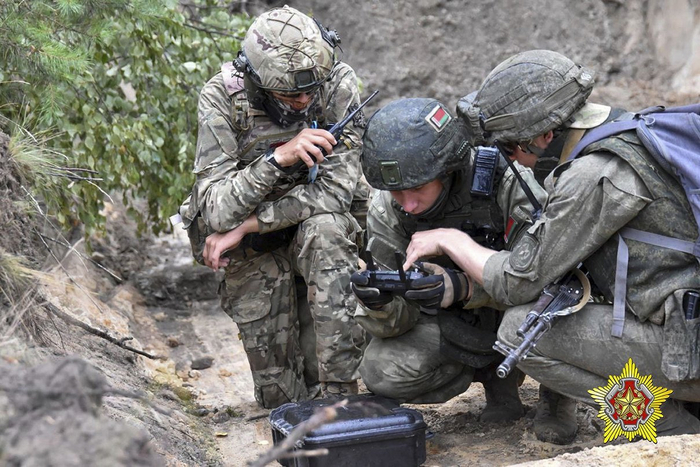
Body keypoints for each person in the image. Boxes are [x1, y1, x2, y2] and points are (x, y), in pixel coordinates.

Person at [403, 49, 700, 444]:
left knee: (520, 332)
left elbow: (518, 281)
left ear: (544, 136)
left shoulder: (596, 172)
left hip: (689, 344)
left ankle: (672, 429)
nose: (510, 160)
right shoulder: (636, 131)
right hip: (685, 324)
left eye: (509, 148)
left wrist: (450, 239)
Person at [178, 5, 369, 409]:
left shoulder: (336, 83)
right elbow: (216, 210)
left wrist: (249, 224)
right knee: (280, 400)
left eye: (310, 91)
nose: (304, 101)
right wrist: (278, 159)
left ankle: (341, 395)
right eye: (290, 95)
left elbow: (335, 193)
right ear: (259, 83)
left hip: (310, 236)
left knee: (328, 228)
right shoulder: (223, 97)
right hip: (256, 255)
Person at [349, 98, 547, 421]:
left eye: (417, 188)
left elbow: (544, 278)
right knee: (379, 371)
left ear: (447, 169)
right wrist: (380, 305)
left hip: (519, 315)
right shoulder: (389, 209)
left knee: (552, 316)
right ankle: (476, 371)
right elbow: (395, 324)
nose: (408, 204)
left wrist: (464, 286)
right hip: (450, 325)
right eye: (397, 192)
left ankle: (553, 400)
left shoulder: (506, 182)